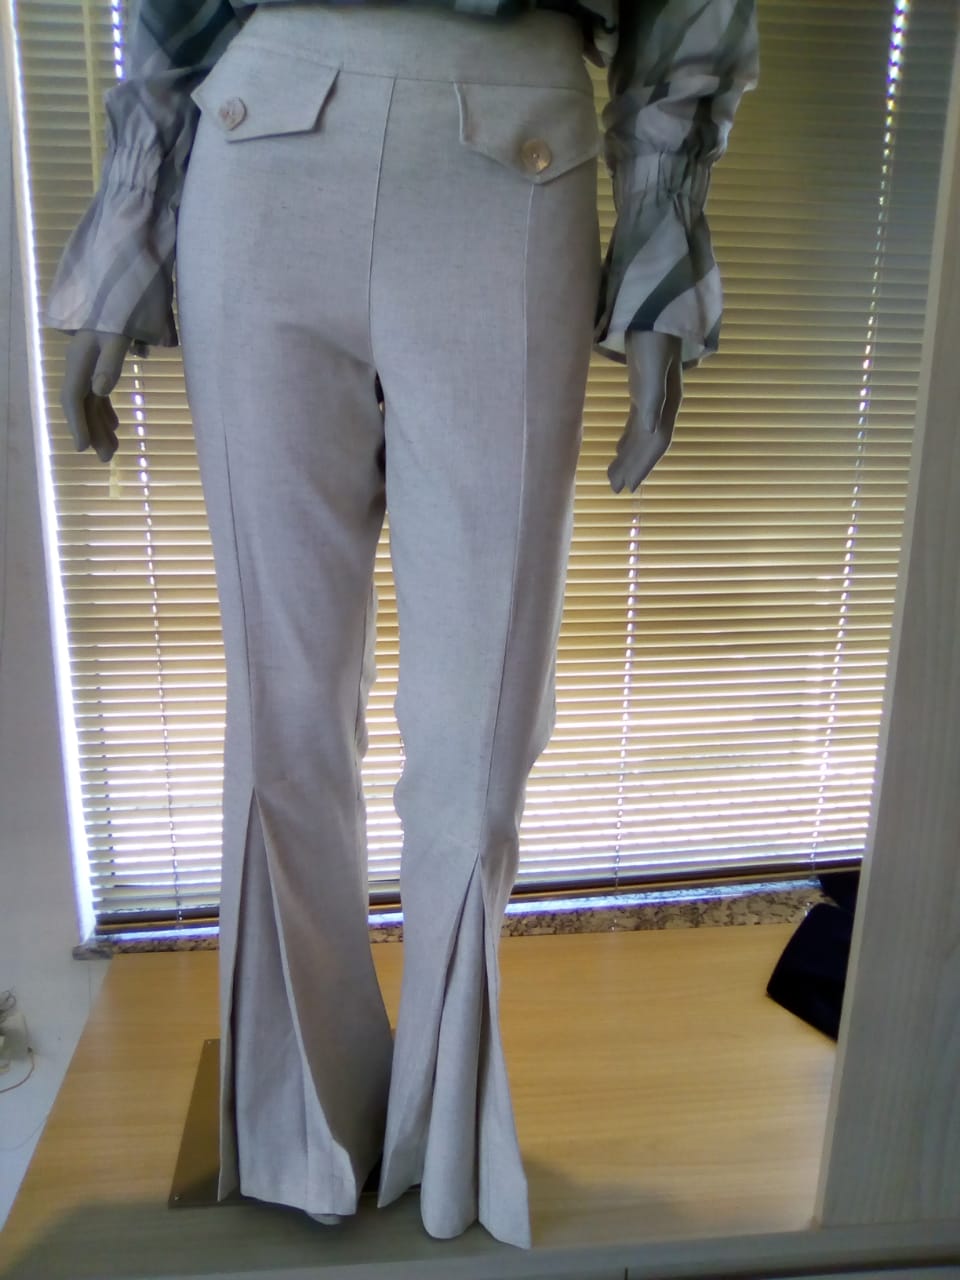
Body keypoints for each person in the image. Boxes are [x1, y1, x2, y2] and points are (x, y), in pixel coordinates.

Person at [44, 0, 758, 1249]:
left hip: (513, 154)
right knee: (283, 713)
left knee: (479, 740)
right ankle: (300, 1130)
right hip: (259, 139)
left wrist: (659, 255)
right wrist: (130, 222)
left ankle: (443, 1140)